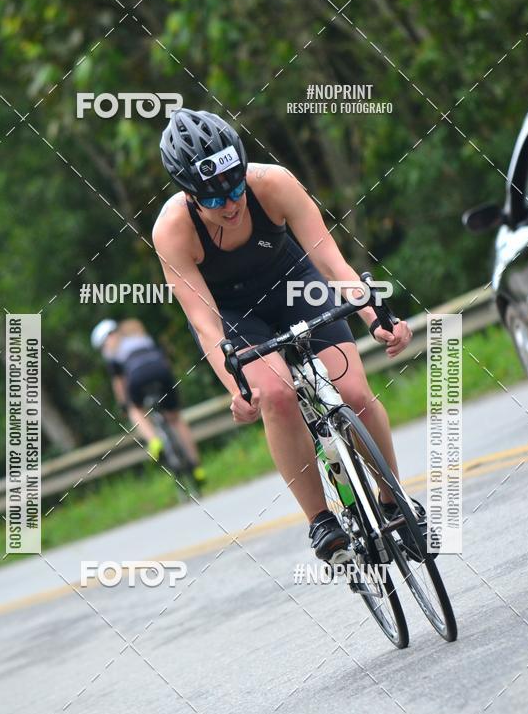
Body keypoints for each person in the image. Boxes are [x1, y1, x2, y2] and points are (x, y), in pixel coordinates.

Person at [152, 108, 422, 562]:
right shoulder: (172, 230)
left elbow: (331, 261)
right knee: (276, 396)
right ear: (189, 195)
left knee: (354, 392)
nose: (231, 204)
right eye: (215, 199)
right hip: (235, 314)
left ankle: (393, 499)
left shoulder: (273, 183)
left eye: (235, 187)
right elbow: (204, 321)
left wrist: (376, 316)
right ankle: (321, 520)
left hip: (296, 285)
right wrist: (237, 388)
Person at [91, 317, 204, 481]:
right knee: (175, 419)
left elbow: (119, 383)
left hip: (137, 376)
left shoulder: (111, 351)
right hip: (161, 371)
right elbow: (163, 359)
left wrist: (124, 405)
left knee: (135, 410)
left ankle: (154, 441)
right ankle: (197, 467)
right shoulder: (140, 337)